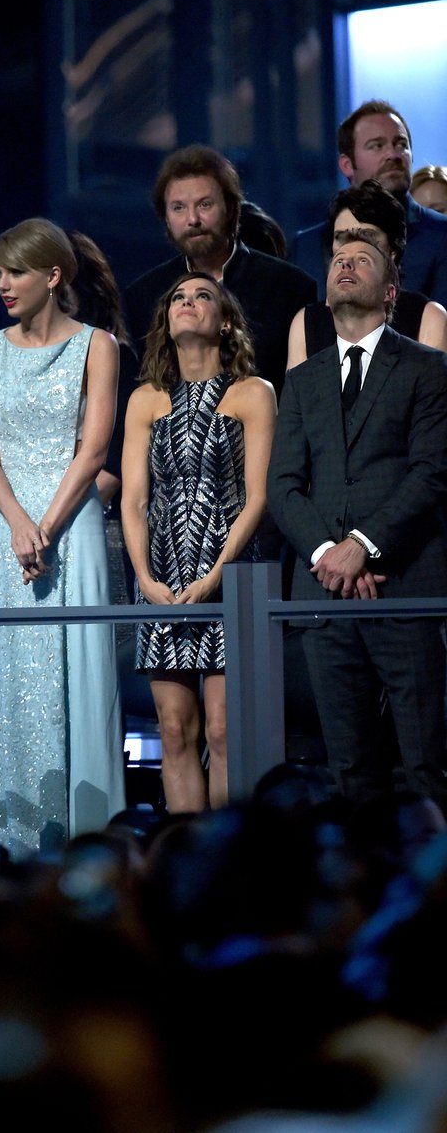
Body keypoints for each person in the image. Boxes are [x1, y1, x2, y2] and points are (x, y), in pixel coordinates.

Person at [268, 226, 447, 810]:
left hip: (406, 586)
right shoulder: (300, 380)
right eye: (338, 259)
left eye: (362, 260)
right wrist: (329, 555)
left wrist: (363, 546)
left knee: (425, 765)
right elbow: (284, 486)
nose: (345, 266)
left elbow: (430, 473)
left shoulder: (427, 368)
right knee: (348, 769)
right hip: (325, 597)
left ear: (391, 291)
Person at [0, 217, 126, 860]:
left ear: (53, 276)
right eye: (0, 272)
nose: (3, 284)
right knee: (9, 678)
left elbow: (93, 451)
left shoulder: (98, 346)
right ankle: (8, 841)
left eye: (16, 272)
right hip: (6, 528)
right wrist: (19, 525)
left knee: (82, 672)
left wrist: (49, 526)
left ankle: (90, 840)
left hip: (73, 523)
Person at [120, 273, 277, 812]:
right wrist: (144, 578)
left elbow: (257, 498)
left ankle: (227, 860)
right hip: (162, 576)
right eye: (178, 299)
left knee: (223, 730)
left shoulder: (252, 393)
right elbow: (134, 502)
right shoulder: (145, 400)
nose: (188, 304)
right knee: (173, 730)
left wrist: (217, 575)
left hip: (230, 576)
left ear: (225, 321)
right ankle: (183, 861)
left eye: (202, 296)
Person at [123, 144, 316, 404]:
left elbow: (304, 397)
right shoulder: (144, 296)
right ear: (165, 218)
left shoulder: (290, 287)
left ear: (231, 208)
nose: (193, 220)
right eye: (178, 208)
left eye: (204, 204)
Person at [291, 99, 447, 305]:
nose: (393, 154)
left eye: (401, 144)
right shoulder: (306, 246)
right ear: (347, 165)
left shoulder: (441, 236)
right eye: (377, 146)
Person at [287, 179, 447, 368]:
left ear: (393, 250)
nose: (351, 251)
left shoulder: (427, 318)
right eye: (342, 238)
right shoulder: (306, 324)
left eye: (366, 237)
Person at [68, 227, 140, 625]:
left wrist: (54, 521)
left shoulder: (118, 359)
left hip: (96, 526)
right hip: (29, 533)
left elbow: (114, 462)